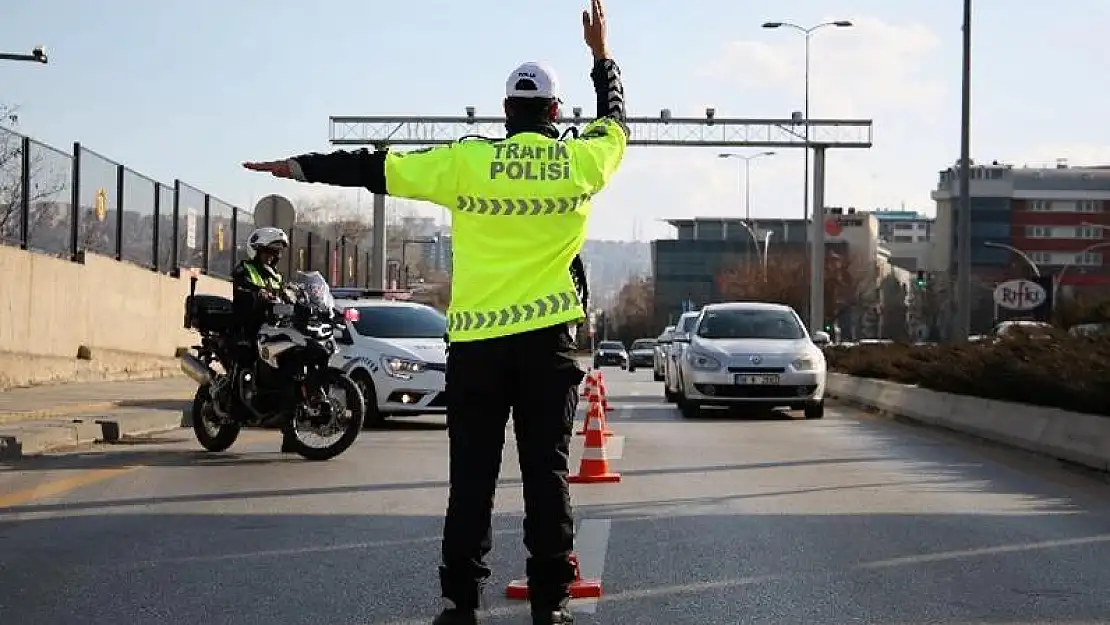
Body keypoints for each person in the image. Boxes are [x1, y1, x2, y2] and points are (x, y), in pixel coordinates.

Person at [242, 1, 625, 621]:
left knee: (470, 480)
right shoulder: (580, 161)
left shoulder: (466, 161)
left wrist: (297, 166)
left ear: (506, 113)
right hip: (547, 345)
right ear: (555, 115)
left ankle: (460, 603)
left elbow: (373, 168)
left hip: (476, 350)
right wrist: (601, 55)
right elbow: (615, 121)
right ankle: (550, 603)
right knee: (546, 476)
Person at [231, 226, 295, 451]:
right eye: (269, 251)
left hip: (273, 329)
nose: (274, 256)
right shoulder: (245, 269)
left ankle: (291, 433)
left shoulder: (277, 275)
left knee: (290, 371)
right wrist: (258, 293)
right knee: (246, 359)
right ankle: (239, 400)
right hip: (248, 327)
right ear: (256, 251)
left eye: (277, 252)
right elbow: (243, 289)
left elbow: (286, 295)